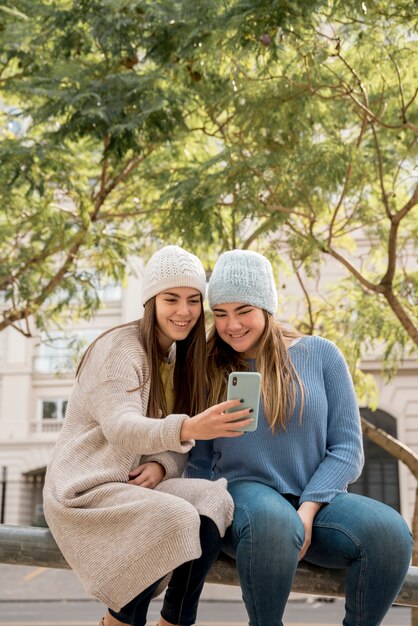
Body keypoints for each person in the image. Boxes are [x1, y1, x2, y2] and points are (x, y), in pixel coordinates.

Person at [185, 249, 413, 626]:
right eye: (220, 313)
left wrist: (307, 510)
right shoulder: (207, 366)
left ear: (267, 308)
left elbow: (347, 449)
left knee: (390, 535)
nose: (232, 325)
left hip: (317, 502)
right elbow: (199, 459)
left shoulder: (321, 355)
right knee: (274, 522)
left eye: (244, 311)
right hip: (244, 499)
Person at [43, 245, 254, 626]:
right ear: (150, 302)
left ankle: (174, 620)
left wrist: (161, 463)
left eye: (193, 300)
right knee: (173, 517)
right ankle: (121, 619)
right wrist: (189, 428)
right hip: (85, 486)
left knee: (212, 500)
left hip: (135, 483)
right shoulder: (120, 350)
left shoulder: (177, 359)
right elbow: (122, 429)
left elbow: (171, 447)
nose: (184, 311)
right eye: (171, 298)